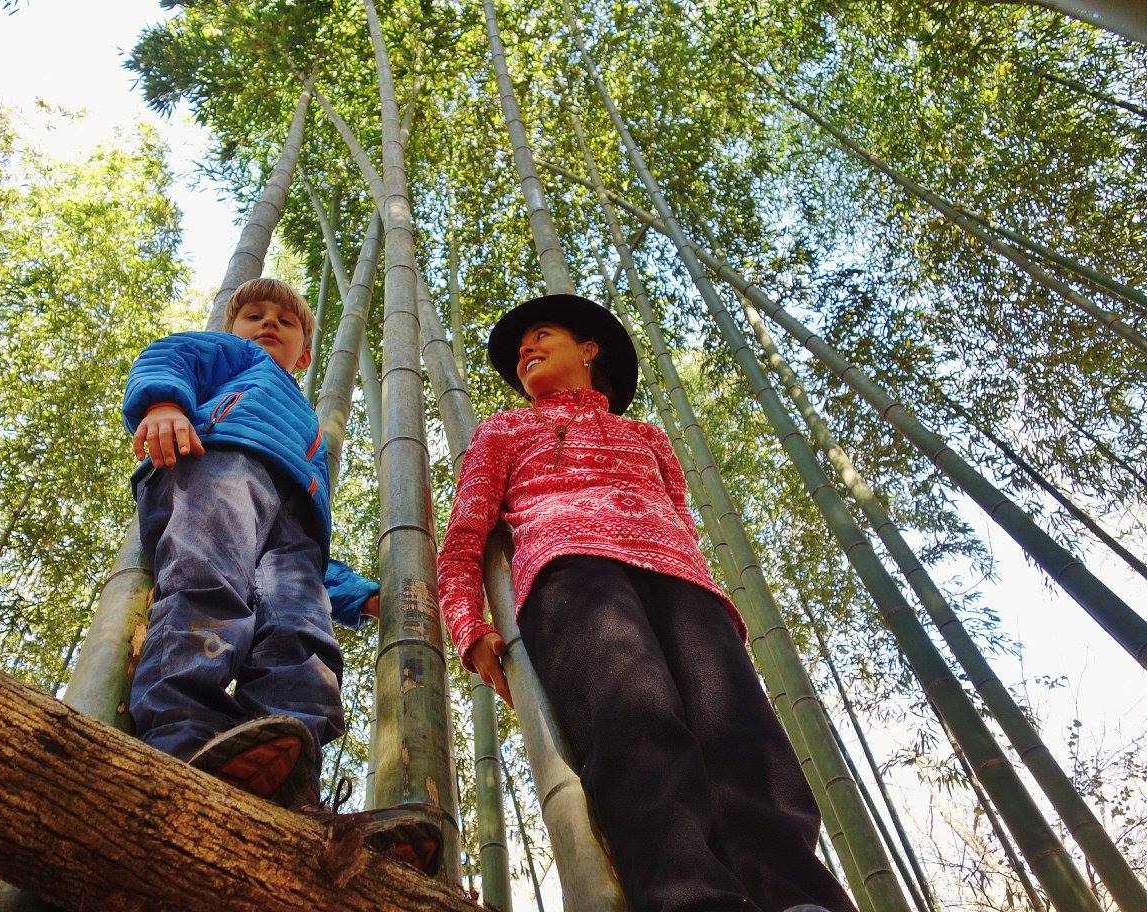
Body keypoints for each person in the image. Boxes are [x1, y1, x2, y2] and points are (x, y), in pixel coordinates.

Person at [437, 293, 856, 912]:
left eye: (541, 335)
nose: (525, 350)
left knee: (741, 734)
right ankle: (692, 898)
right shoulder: (505, 428)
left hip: (682, 578)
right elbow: (465, 535)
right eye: (520, 348)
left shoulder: (647, 437)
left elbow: (680, 517)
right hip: (571, 568)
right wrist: (468, 626)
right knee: (634, 724)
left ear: (588, 349)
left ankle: (798, 897)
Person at [122, 277, 439, 874]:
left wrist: (358, 595)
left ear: (306, 353)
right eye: (255, 315)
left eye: (285, 322)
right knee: (206, 592)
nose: (269, 324)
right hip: (216, 467)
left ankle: (291, 787)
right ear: (233, 328)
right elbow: (169, 355)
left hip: (292, 515)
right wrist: (164, 404)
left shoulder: (312, 424)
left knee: (303, 631)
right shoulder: (233, 359)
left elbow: (308, 558)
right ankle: (181, 739)